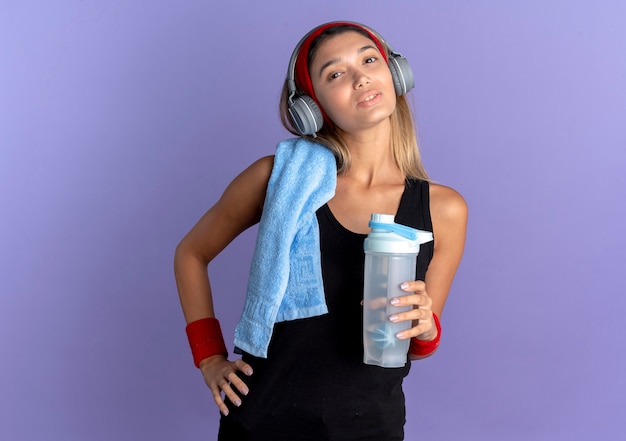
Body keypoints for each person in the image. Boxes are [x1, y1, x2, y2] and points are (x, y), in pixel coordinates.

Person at [174, 21, 468, 441]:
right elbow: (190, 254)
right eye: (335, 73)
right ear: (313, 107)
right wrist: (209, 358)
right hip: (260, 422)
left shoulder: (444, 209)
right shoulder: (276, 179)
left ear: (395, 74)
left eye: (369, 60)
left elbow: (417, 340)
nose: (360, 76)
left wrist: (425, 328)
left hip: (369, 427)